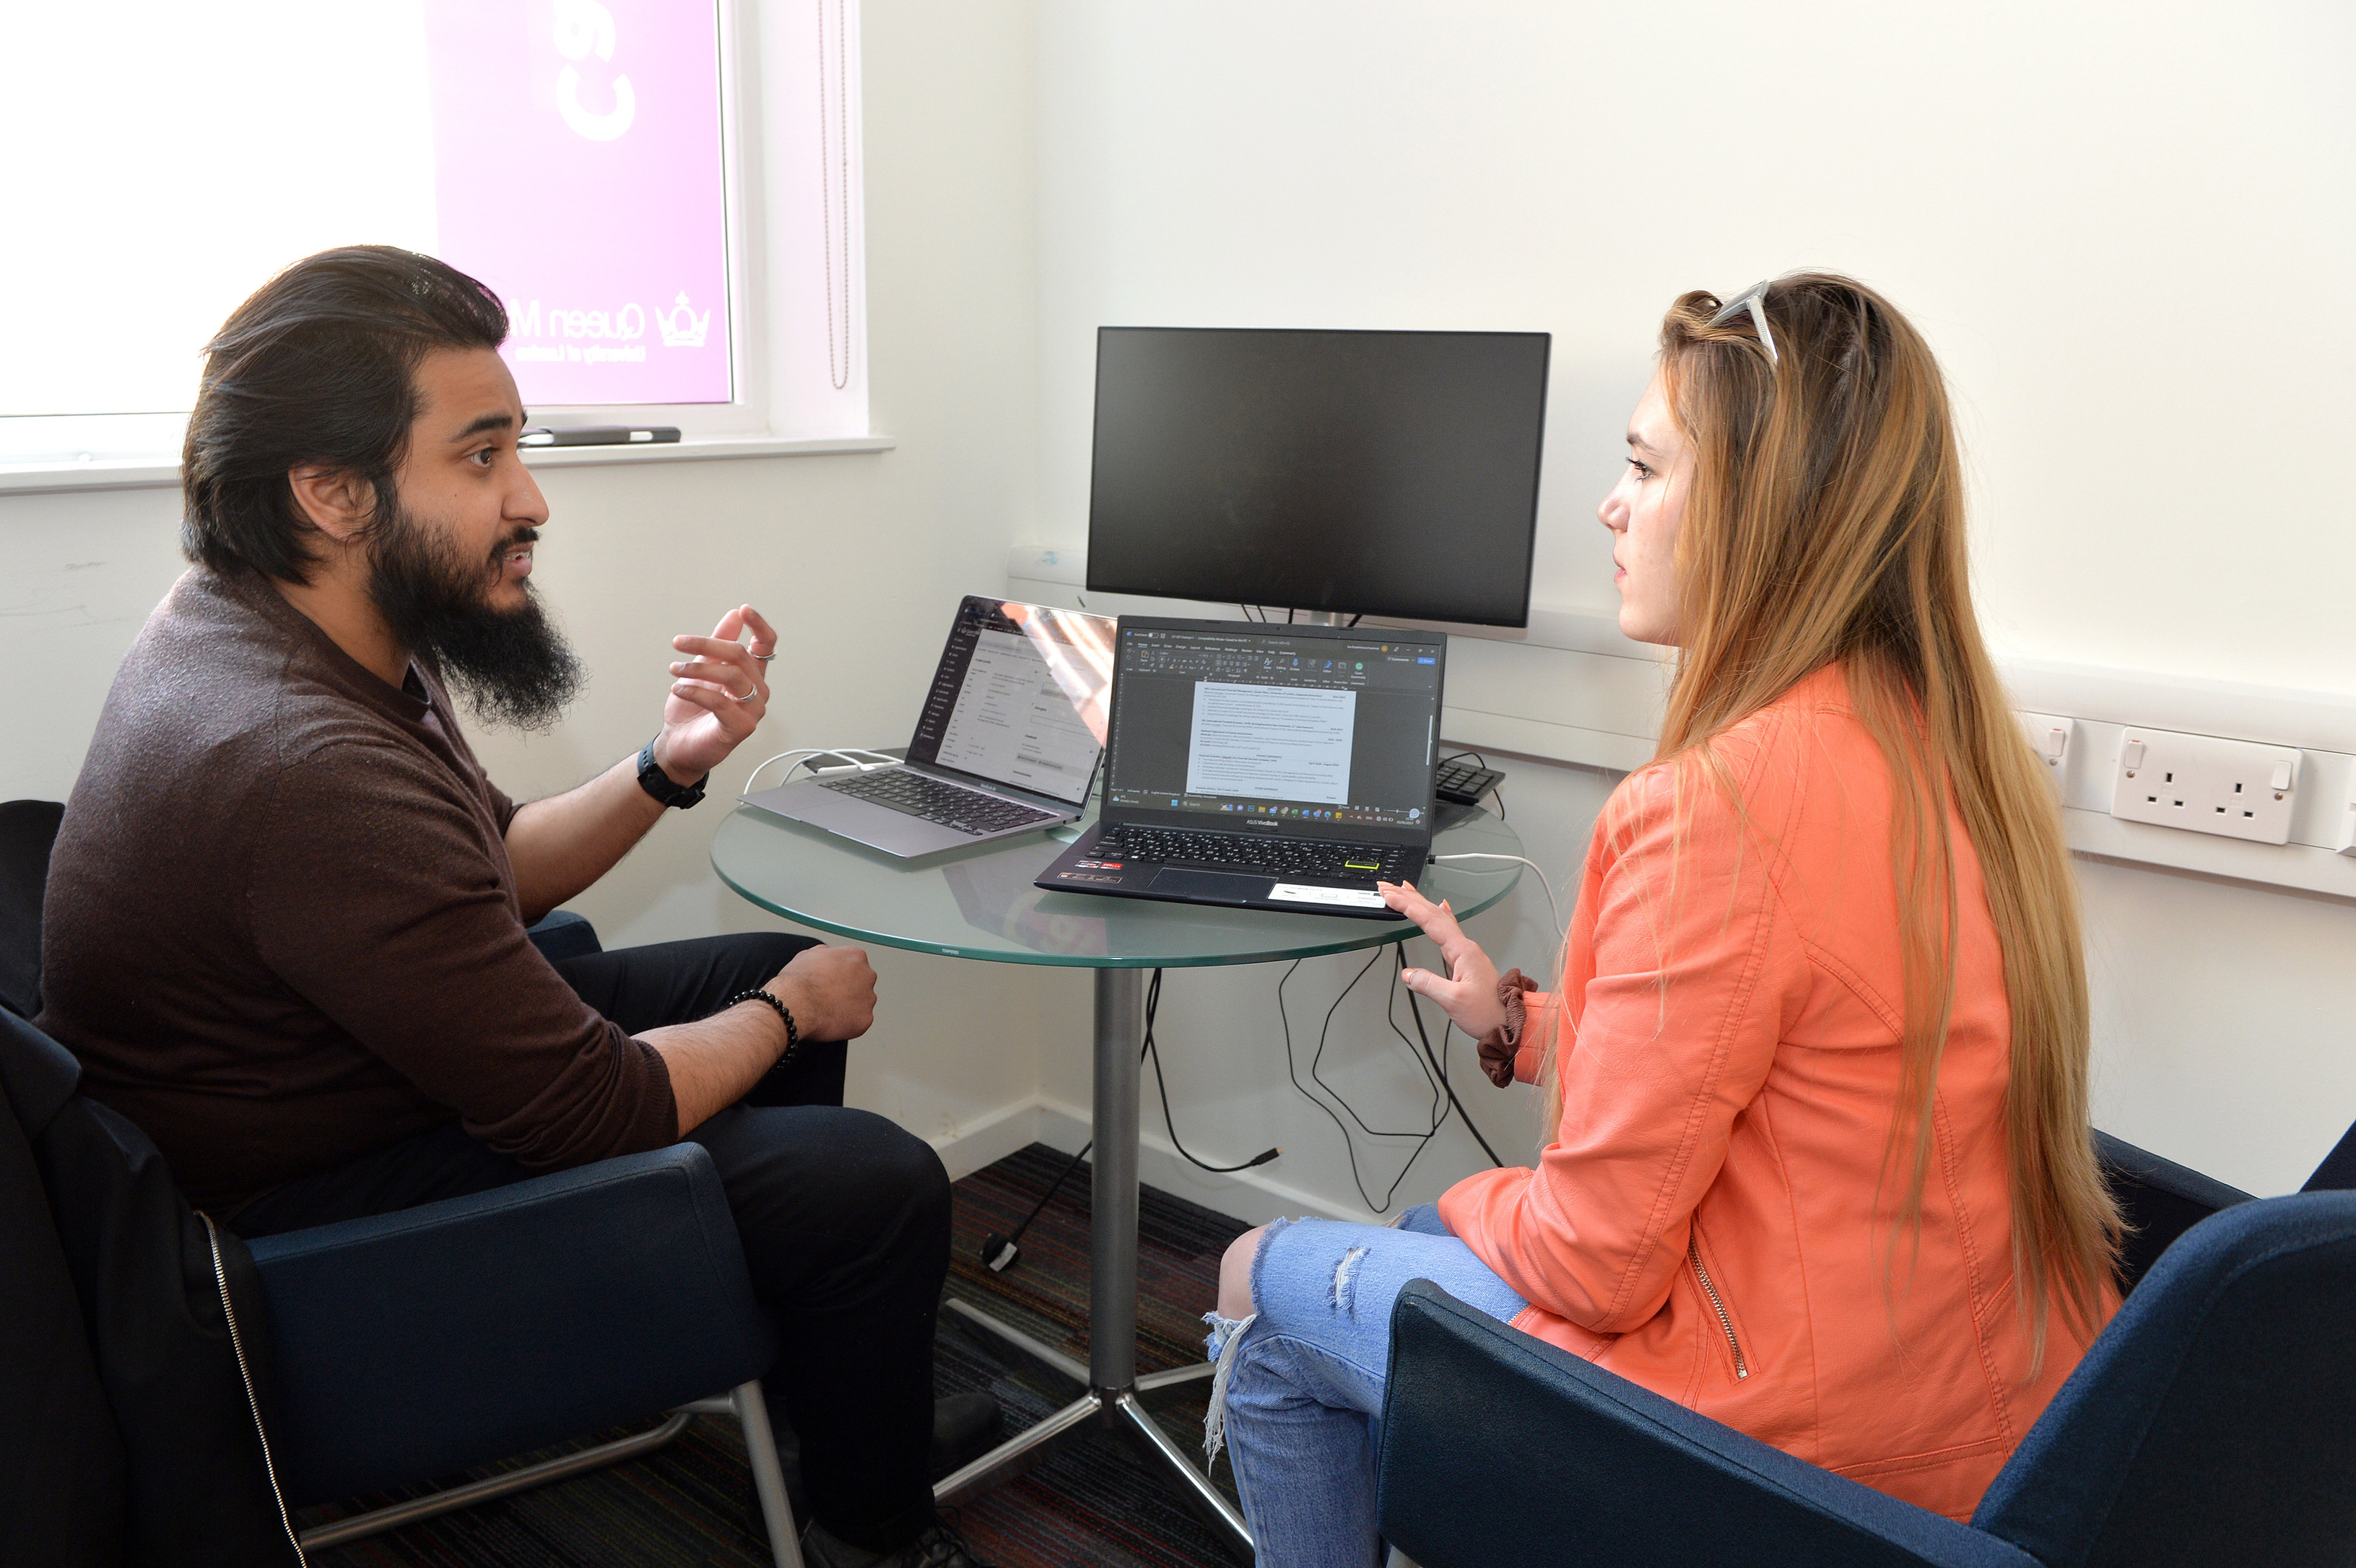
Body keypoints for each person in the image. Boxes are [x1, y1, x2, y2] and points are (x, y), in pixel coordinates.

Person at [37, 246, 993, 1568]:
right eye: (481, 457)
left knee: (773, 969)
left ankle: (834, 1397)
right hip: (305, 1223)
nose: (530, 496)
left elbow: (492, 866)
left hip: (345, 1074)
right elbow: (589, 1109)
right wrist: (784, 1014)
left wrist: (671, 765)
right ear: (329, 491)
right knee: (872, 1173)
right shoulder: (301, 763)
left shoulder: (288, 623)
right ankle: (872, 1533)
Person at [1201, 274, 2123, 1565]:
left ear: (1762, 507)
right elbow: (1789, 1064)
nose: (1610, 505)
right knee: (1411, 1244)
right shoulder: (1951, 747)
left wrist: (1477, 1199)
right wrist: (1522, 1025)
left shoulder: (1714, 805)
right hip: (1999, 1426)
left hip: (1787, 1453)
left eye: (1645, 466)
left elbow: (1592, 1268)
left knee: (1259, 1277)